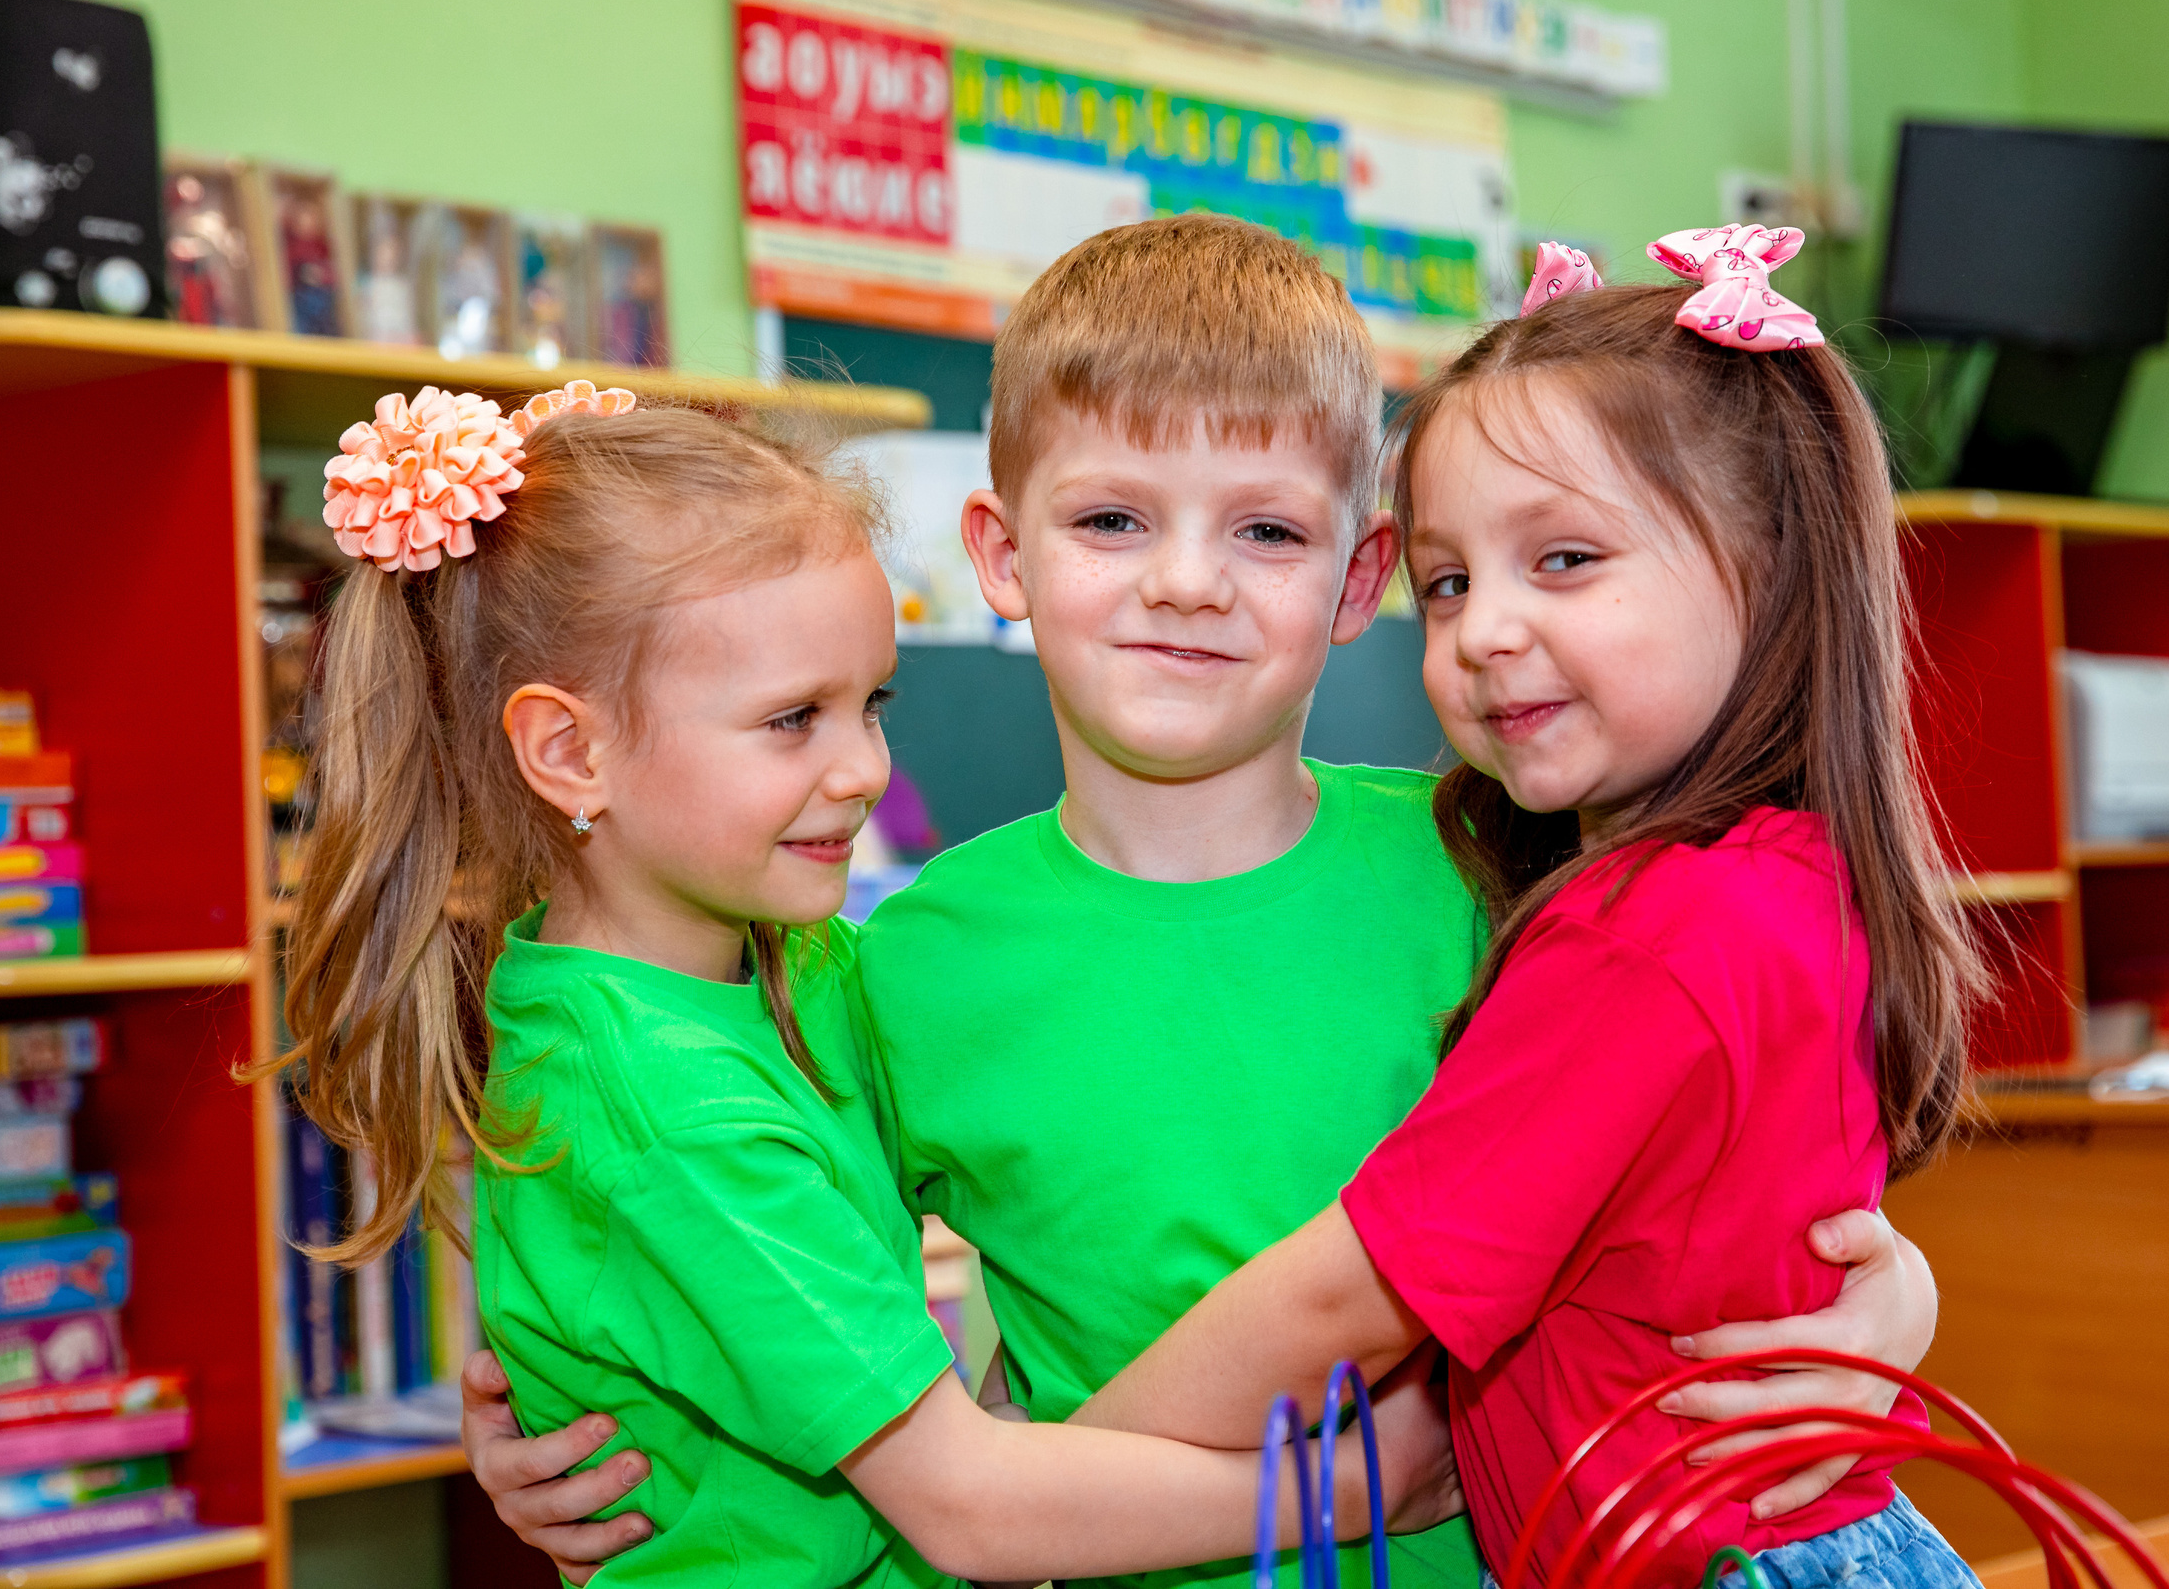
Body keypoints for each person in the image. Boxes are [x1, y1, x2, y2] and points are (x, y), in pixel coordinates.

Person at [465, 217, 1943, 1586]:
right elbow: (670, 1212)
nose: (1185, 583)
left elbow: (1732, 1156)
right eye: (1112, 519)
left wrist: (1896, 1296)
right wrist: (543, 1402)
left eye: (1267, 532)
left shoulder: (1509, 864)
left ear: (1363, 575)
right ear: (1001, 556)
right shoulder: (891, 966)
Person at [266, 378, 1458, 1588]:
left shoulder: (792, 964)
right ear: (572, 753)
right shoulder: (659, 1107)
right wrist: (1359, 1484)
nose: (866, 769)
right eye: (794, 720)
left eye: (870, 703)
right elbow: (970, 1508)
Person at [1069, 230, 1989, 1589]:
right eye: (1448, 582)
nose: (1485, 628)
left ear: (1771, 569)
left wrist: (1067, 1472)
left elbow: (1349, 1292)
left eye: (1561, 558)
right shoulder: (1786, 875)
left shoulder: (1648, 931)